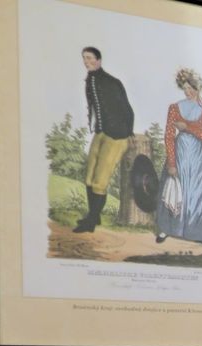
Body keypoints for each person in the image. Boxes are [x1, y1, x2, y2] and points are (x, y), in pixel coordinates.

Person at [155, 68, 202, 246]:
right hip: (180, 155)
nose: (188, 92)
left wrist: (188, 128)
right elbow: (169, 136)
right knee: (175, 189)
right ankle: (167, 229)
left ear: (198, 88)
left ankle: (200, 233)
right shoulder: (175, 108)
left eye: (191, 88)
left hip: (201, 160)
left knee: (200, 194)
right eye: (185, 88)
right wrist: (172, 162)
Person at [75, 47, 134, 234]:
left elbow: (127, 110)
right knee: (89, 176)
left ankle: (90, 223)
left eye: (90, 58)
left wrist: (127, 133)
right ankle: (95, 214)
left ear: (99, 60)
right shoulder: (90, 80)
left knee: (100, 181)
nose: (86, 61)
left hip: (117, 136)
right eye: (84, 58)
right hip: (101, 132)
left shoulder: (111, 82)